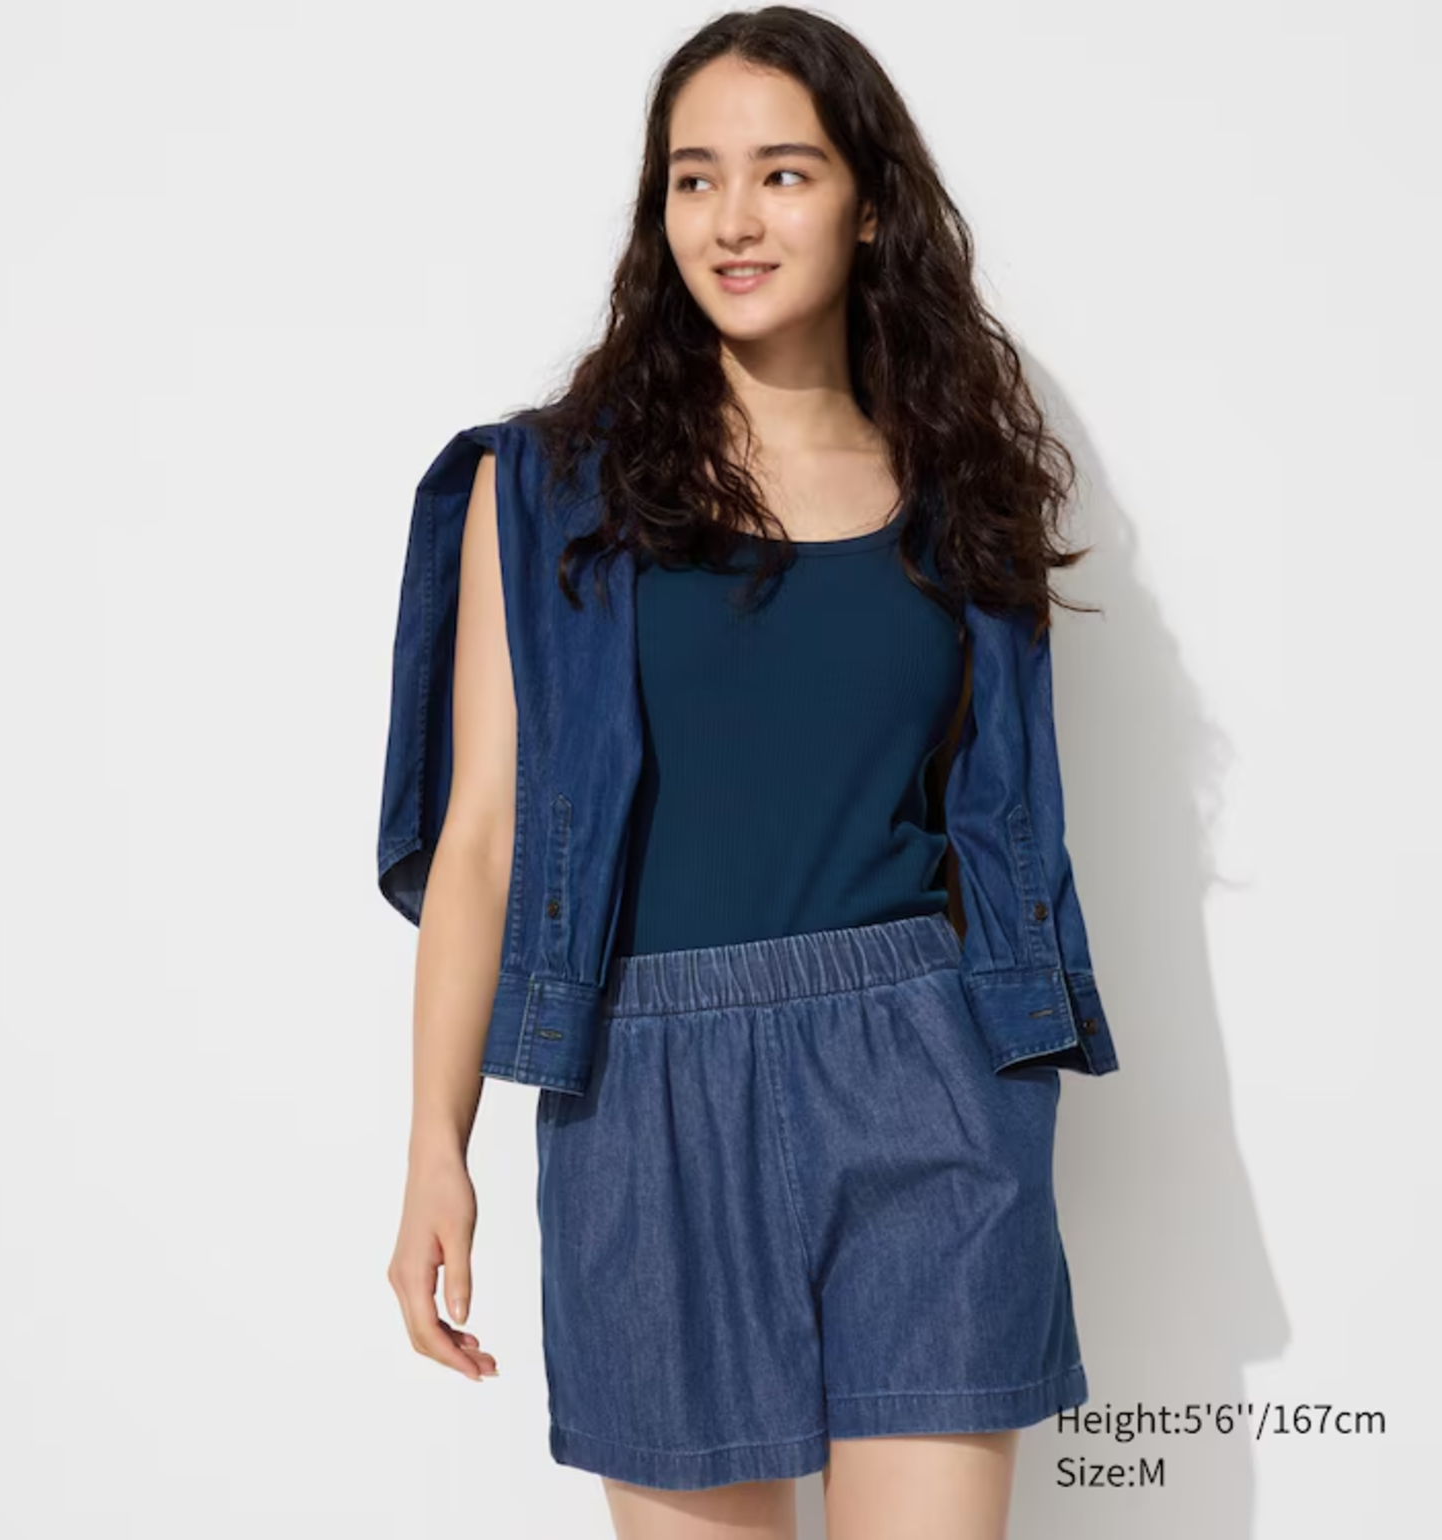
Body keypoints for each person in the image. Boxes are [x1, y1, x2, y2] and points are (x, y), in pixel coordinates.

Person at [382, 8, 1119, 1537]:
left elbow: (999, 825)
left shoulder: (961, 490)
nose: (732, 218)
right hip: (642, 1095)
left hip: (926, 1081)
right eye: (693, 177)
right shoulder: (545, 490)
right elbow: (483, 837)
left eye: (783, 173)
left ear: (870, 202)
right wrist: (435, 1150)